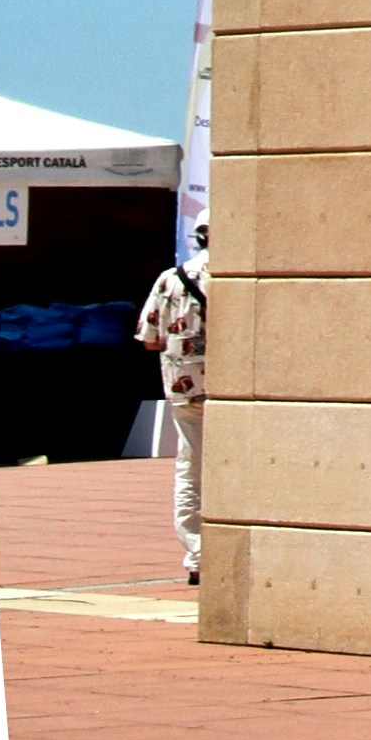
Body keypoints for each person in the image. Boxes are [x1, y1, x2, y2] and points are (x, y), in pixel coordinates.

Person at [135, 232, 209, 583]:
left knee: (190, 470)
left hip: (187, 389)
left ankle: (197, 555)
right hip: (238, 389)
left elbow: (149, 339)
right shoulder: (239, 277)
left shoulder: (171, 278)